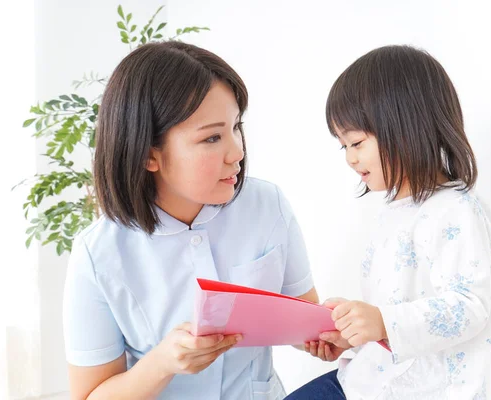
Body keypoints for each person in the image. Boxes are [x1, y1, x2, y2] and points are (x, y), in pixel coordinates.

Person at [63, 41, 318, 400]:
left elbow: (305, 322)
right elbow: (89, 396)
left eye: (235, 128)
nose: (237, 152)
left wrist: (330, 335)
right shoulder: (98, 254)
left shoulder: (267, 205)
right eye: (212, 137)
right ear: (149, 155)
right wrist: (163, 363)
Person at [288, 45, 491, 400]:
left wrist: (384, 321)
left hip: (431, 390)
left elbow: (469, 307)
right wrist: (354, 329)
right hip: (370, 379)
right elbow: (398, 303)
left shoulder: (458, 211)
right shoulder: (393, 212)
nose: (351, 159)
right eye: (343, 147)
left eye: (356, 142)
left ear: (407, 128)